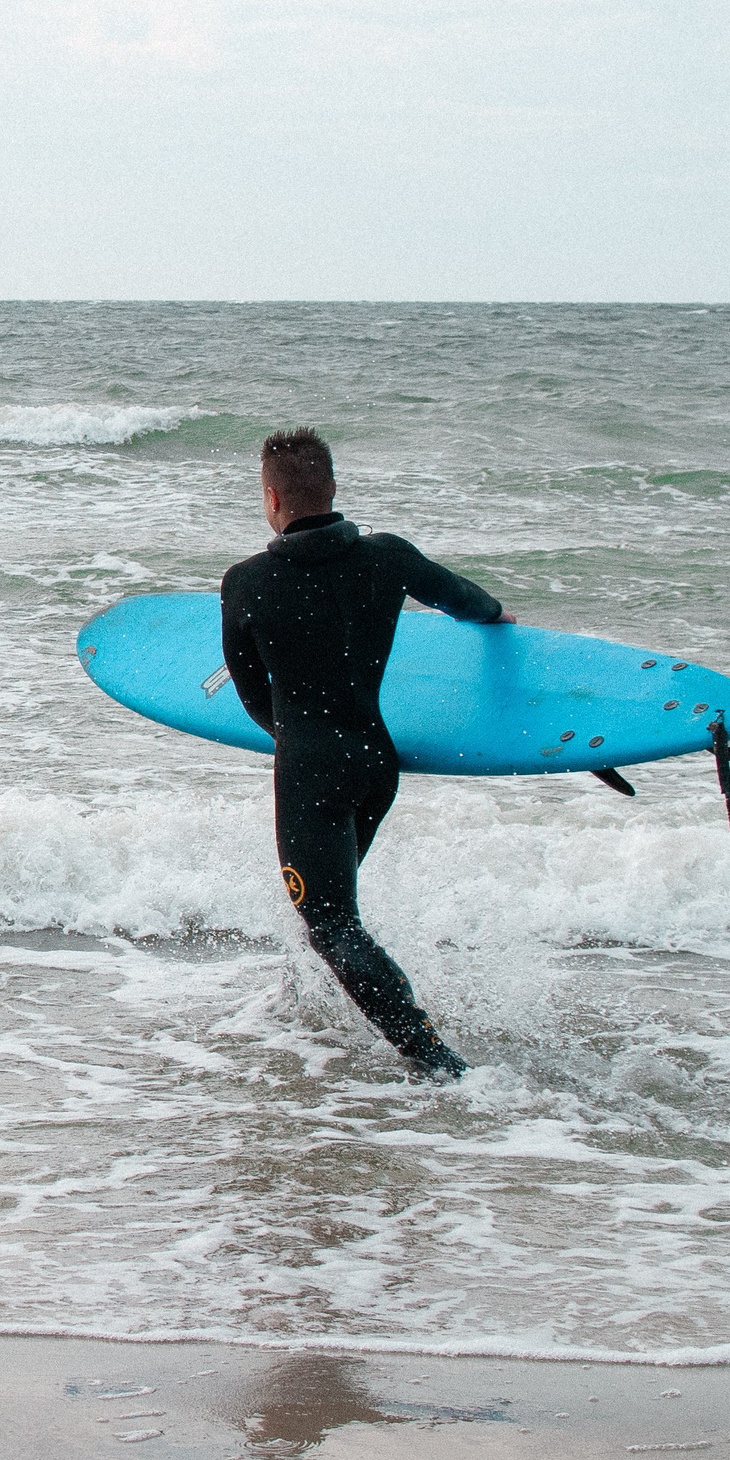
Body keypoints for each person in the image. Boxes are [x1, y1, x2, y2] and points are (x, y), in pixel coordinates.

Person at [219, 428, 511, 1080]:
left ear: (271, 497)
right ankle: (301, 1003)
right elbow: (468, 600)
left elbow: (248, 692)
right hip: (377, 766)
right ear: (332, 489)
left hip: (311, 771)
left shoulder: (247, 583)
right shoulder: (387, 559)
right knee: (328, 911)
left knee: (328, 922)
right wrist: (498, 619)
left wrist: (295, 739)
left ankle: (436, 1061)